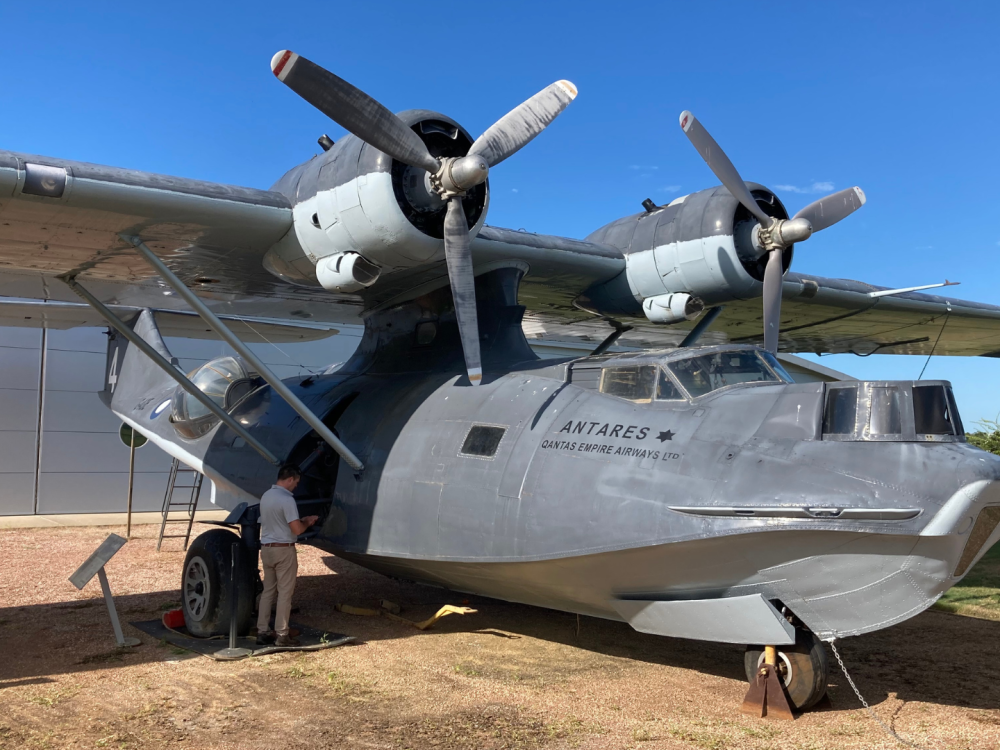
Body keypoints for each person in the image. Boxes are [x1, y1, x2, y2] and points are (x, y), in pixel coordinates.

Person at [255, 464, 318, 647]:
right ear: (290, 479)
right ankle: (282, 634)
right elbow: (296, 529)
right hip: (284, 549)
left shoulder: (266, 496)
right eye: (296, 482)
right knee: (285, 593)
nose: (296, 486)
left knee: (268, 591)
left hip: (267, 548)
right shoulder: (287, 500)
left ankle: (262, 631)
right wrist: (307, 521)